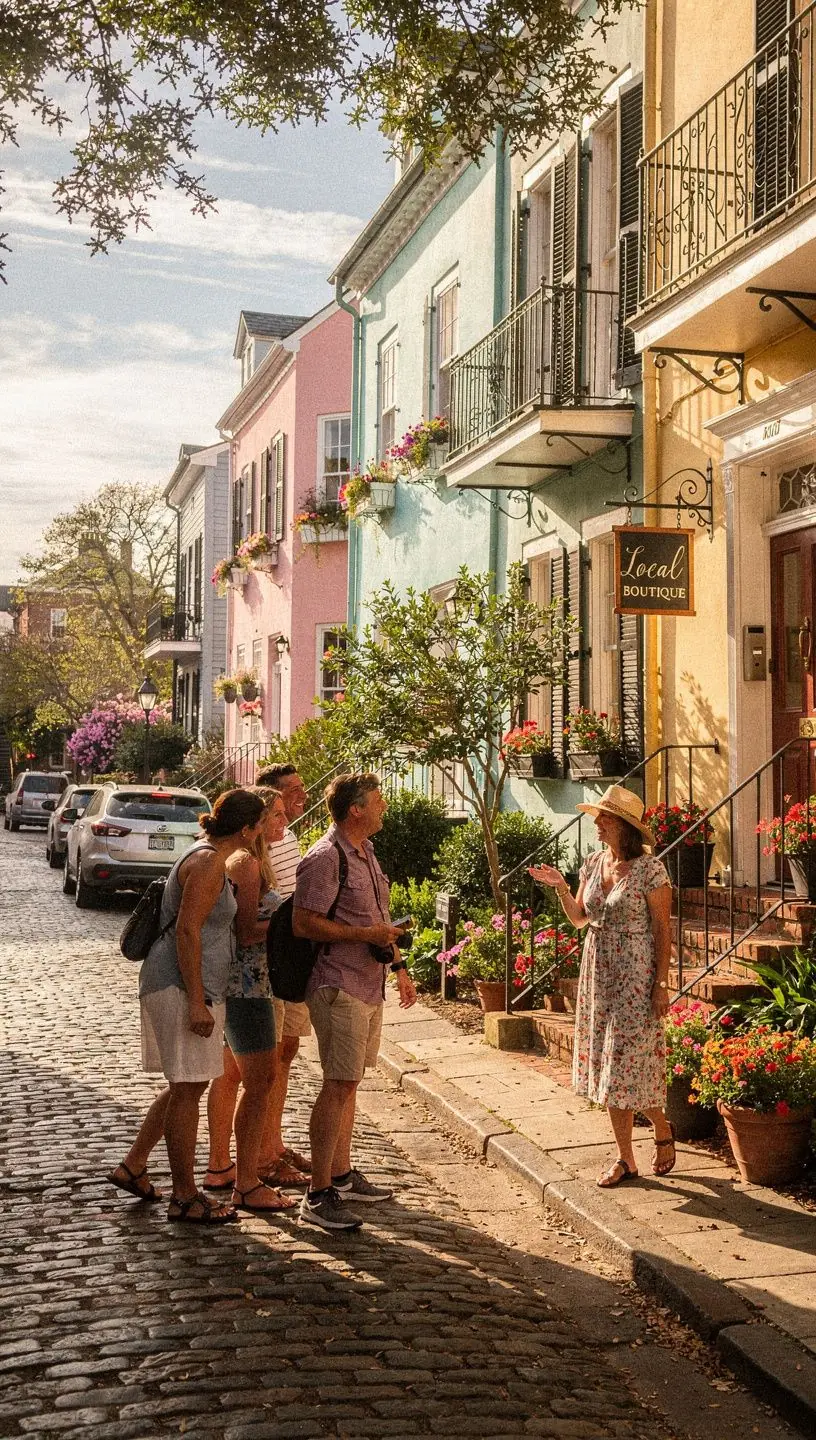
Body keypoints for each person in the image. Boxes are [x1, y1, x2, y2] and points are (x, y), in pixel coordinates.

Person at [107, 788, 266, 1224]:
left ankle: (133, 1166)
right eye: (261, 824)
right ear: (248, 829)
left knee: (185, 1086)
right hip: (181, 986)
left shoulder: (205, 854)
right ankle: (184, 1195)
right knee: (188, 1090)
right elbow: (187, 933)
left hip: (185, 984)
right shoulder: (211, 861)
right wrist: (197, 1001)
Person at [529, 784, 676, 1189]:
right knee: (608, 1067)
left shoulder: (651, 870)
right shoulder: (594, 863)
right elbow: (579, 918)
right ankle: (626, 1158)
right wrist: (560, 885)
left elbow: (663, 930)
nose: (596, 823)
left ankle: (662, 1128)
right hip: (598, 971)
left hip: (636, 972)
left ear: (624, 826)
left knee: (630, 1062)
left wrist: (660, 983)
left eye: (604, 817)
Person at [293, 772, 417, 1231]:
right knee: (337, 1084)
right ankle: (318, 1192)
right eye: (378, 799)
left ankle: (341, 1175)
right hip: (338, 984)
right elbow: (304, 924)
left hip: (370, 983)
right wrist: (364, 936)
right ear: (356, 809)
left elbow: (380, 919)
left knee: (350, 1083)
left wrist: (400, 969)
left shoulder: (364, 852)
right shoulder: (325, 859)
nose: (385, 805)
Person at [203, 787, 296, 1213]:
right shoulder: (246, 863)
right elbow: (245, 933)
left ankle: (231, 1171)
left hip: (243, 985)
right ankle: (247, 1180)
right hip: (249, 985)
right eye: (269, 818)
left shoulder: (238, 860)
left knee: (245, 1080)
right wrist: (287, 923)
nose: (277, 823)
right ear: (250, 826)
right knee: (258, 1083)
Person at [254, 763, 312, 1184]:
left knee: (287, 1051)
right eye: (292, 791)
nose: (301, 797)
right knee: (266, 1059)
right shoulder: (258, 844)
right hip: (268, 958)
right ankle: (258, 1153)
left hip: (294, 956)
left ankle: (273, 1142)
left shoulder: (288, 837)